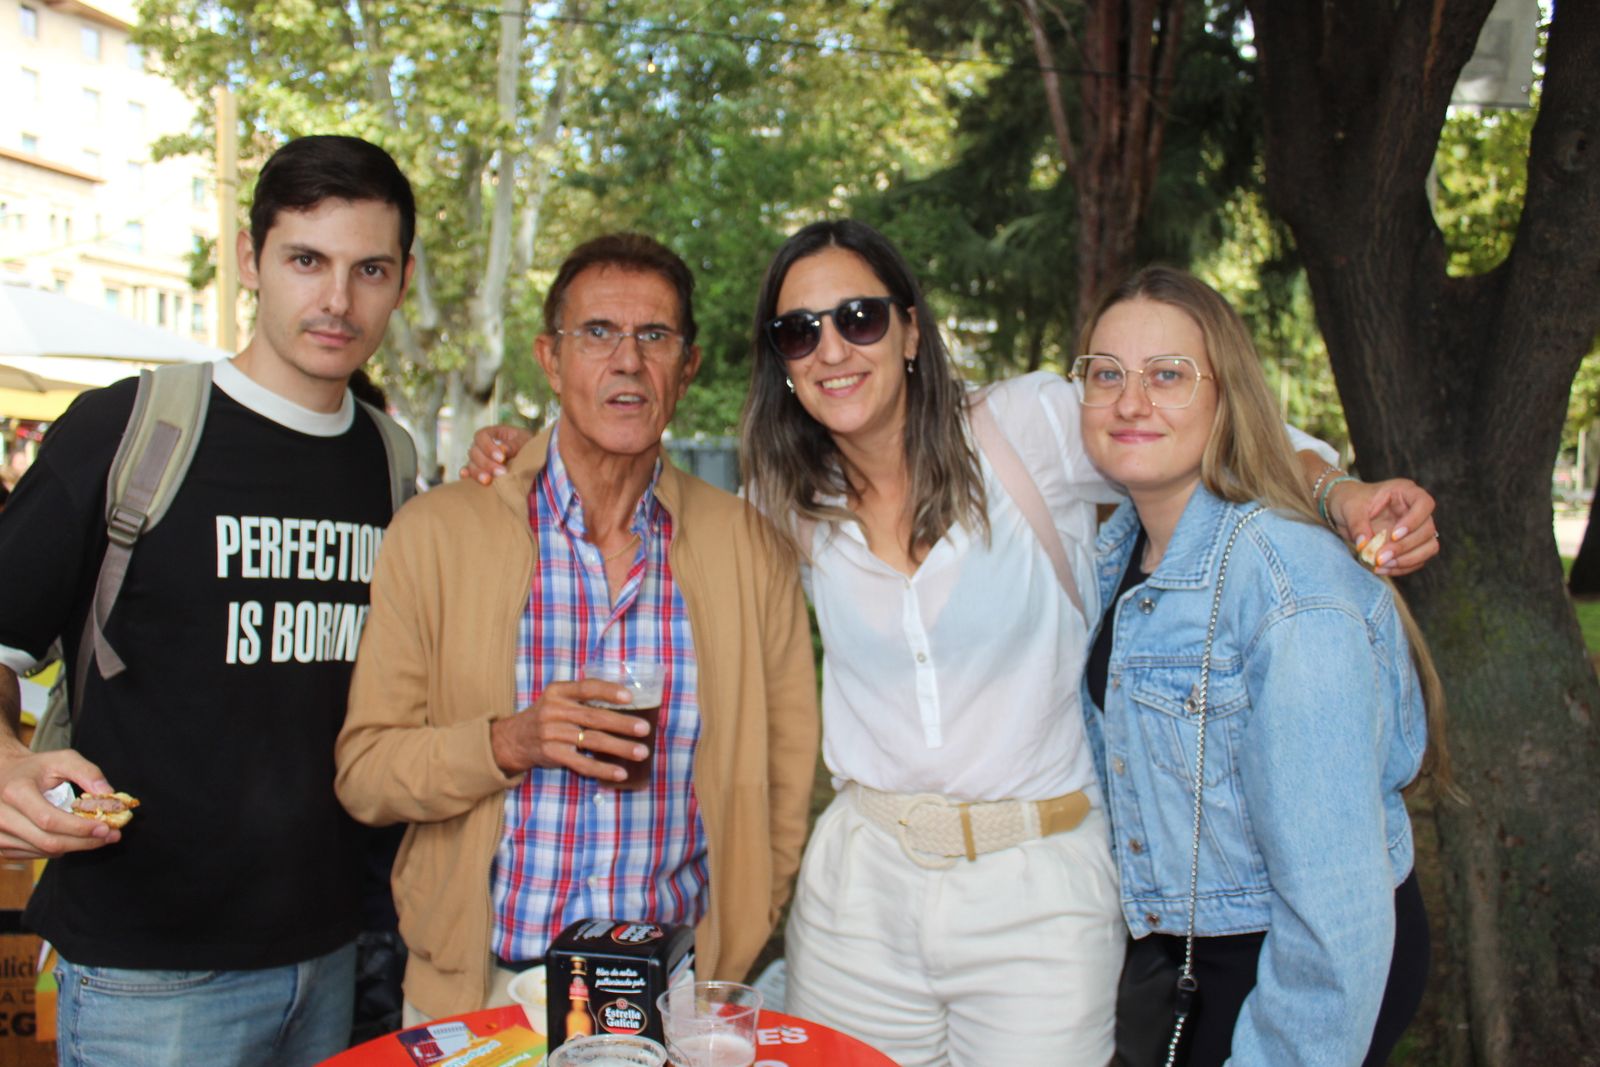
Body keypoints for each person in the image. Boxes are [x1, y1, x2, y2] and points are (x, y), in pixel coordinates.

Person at [466, 219, 1438, 1066]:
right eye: (800, 330)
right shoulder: (787, 498)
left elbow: (1222, 430)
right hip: (862, 891)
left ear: (909, 330)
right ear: (783, 363)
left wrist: (1340, 494)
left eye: (858, 317)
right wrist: (522, 450)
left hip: (1040, 889)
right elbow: (640, 486)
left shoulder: (1025, 428)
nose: (832, 347)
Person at [0, 134, 417, 1067]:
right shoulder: (129, 427)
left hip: (334, 954)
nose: (338, 300)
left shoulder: (390, 461)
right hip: (147, 974)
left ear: (403, 280)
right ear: (248, 259)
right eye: (305, 260)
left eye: (370, 269)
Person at [334, 232, 819, 1024]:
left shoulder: (748, 548)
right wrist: (508, 742)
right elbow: (366, 773)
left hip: (674, 993)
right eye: (597, 332)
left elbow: (786, 774)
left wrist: (734, 940)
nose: (627, 360)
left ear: (687, 367)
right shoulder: (438, 534)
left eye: (654, 335)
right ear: (550, 360)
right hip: (481, 995)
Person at [1077, 266, 1442, 1065]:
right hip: (1185, 958)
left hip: (1292, 970)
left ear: (1226, 396)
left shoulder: (1287, 585)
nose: (1130, 402)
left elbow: (1335, 909)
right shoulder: (1120, 552)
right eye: (1107, 374)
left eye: (1167, 375)